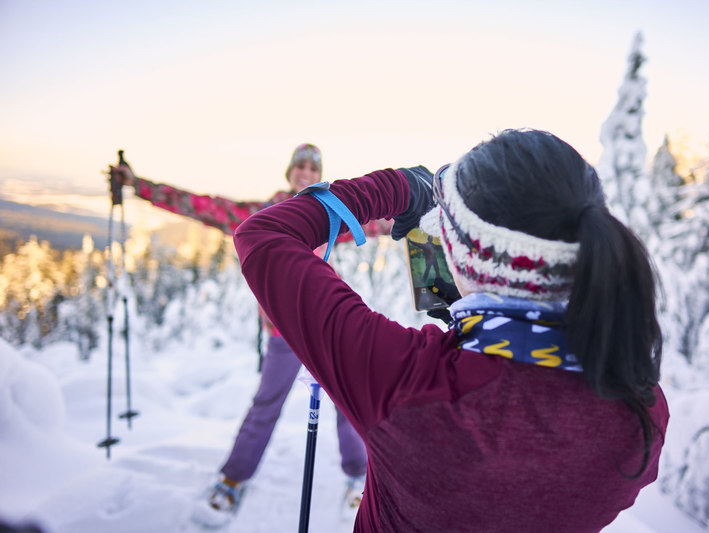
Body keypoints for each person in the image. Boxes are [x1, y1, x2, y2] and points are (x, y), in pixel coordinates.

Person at [232, 129, 669, 532]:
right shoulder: (640, 413)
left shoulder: (406, 381)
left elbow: (265, 234)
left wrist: (397, 186)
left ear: (464, 256)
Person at [110, 144, 387, 527]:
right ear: (290, 172)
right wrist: (138, 185)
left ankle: (358, 476)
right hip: (283, 330)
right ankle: (232, 480)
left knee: (347, 398)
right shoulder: (263, 214)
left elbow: (378, 221)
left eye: (313, 167)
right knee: (266, 404)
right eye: (300, 165)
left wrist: (422, 212)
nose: (306, 172)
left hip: (326, 322)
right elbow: (199, 205)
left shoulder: (330, 212)